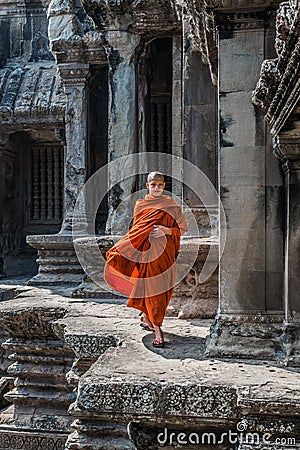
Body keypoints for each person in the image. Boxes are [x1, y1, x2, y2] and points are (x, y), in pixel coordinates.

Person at [104, 171, 188, 348]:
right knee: (152, 288)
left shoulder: (171, 206)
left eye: (160, 184)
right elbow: (136, 231)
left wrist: (166, 231)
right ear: (147, 186)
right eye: (153, 184)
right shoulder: (141, 205)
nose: (156, 188)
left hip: (165, 253)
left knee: (163, 289)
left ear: (164, 186)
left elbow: (181, 229)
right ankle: (158, 330)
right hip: (147, 253)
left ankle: (146, 317)